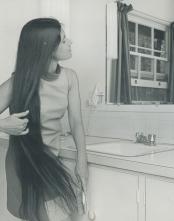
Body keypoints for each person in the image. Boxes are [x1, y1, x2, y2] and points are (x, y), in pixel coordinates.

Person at [0, 18, 88, 221]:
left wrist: (81, 159)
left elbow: (76, 121)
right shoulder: (18, 82)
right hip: (24, 163)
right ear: (46, 46)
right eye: (64, 39)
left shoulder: (70, 77)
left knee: (67, 215)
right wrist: (4, 125)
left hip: (50, 162)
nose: (70, 42)